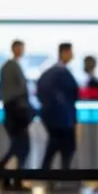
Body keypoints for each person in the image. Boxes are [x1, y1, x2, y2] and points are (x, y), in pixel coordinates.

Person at [0, 40, 33, 188]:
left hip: (12, 114)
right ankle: (10, 177)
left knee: (17, 147)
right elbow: (18, 92)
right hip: (16, 115)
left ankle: (2, 175)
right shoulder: (12, 67)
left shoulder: (8, 67)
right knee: (21, 147)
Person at [36, 43, 80, 173]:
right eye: (70, 52)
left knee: (56, 145)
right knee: (63, 146)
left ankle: (50, 173)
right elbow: (71, 94)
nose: (72, 55)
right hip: (61, 119)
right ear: (64, 52)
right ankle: (59, 174)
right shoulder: (59, 73)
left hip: (57, 118)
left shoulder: (52, 72)